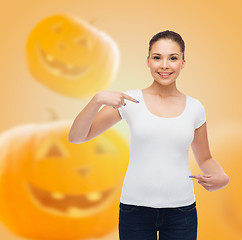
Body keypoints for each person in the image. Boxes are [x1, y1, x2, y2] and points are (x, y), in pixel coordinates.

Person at [68, 30, 229, 240]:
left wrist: (222, 177)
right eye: (157, 57)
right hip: (135, 211)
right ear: (148, 61)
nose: (164, 65)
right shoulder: (129, 100)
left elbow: (205, 158)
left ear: (183, 62)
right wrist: (97, 100)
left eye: (173, 58)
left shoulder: (195, 108)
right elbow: (77, 136)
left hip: (181, 211)